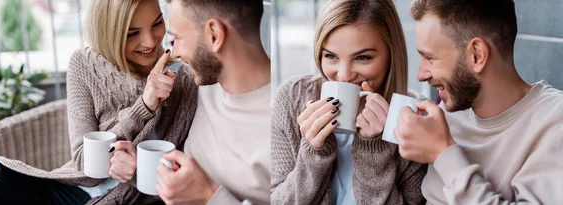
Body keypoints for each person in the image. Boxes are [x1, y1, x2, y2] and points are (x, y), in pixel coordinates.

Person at [0, 0, 198, 204]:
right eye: (131, 33)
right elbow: (87, 168)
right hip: (64, 189)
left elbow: (178, 176)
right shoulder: (85, 65)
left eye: (157, 23)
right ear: (108, 32)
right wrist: (143, 107)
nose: (150, 41)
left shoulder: (185, 78)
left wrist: (135, 170)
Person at [395, 0, 563, 204]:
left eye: (430, 58)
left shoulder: (554, 124)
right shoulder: (451, 110)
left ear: (477, 55)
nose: (420, 75)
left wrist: (443, 154)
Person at [270, 0, 427, 204]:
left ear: (391, 55)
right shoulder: (292, 97)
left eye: (362, 58)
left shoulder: (412, 115)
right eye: (331, 56)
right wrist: (312, 153)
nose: (343, 75)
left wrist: (374, 151)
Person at [154, 0, 271, 204]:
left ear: (214, 35)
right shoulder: (203, 83)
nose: (175, 52)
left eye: (177, 38)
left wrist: (210, 196)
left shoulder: (290, 116)